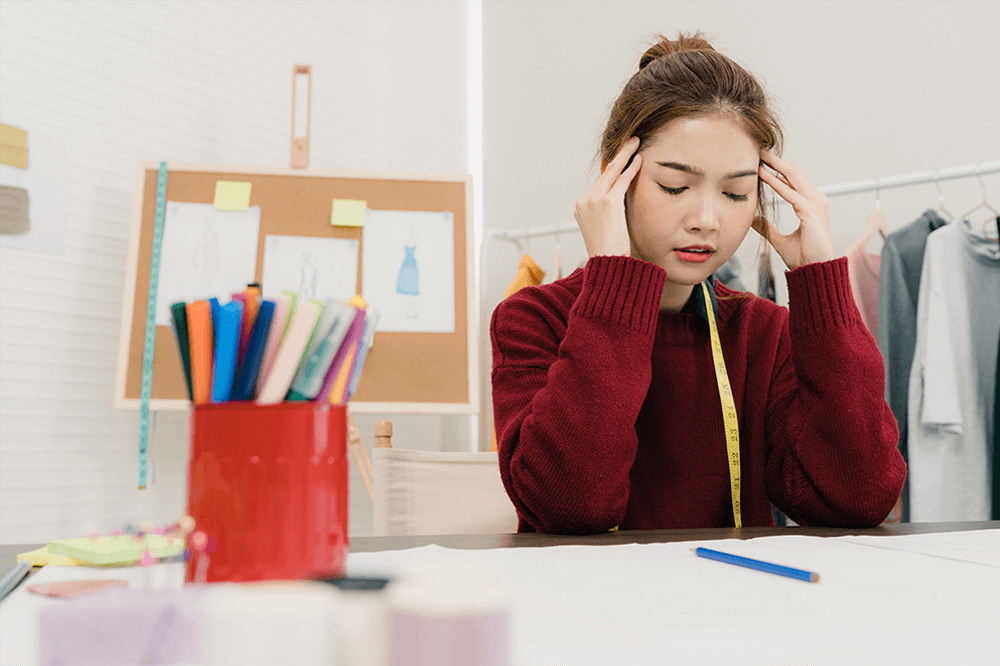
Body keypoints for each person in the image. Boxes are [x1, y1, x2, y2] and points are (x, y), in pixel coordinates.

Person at [489, 33, 905, 534]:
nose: (707, 219)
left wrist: (821, 283)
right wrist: (614, 281)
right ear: (613, 179)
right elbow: (571, 506)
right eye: (675, 186)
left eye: (736, 192)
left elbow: (859, 498)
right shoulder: (532, 320)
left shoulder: (762, 334)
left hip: (729, 588)